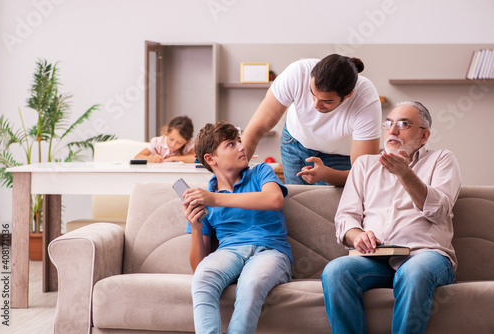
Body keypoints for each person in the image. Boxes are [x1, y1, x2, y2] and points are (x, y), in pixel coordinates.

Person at [321, 101, 461, 334]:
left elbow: (439, 211)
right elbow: (346, 216)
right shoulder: (365, 164)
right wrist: (357, 236)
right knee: (336, 270)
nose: (393, 130)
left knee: (414, 271)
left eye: (404, 124)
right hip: (375, 260)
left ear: (424, 135)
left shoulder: (442, 160)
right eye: (389, 124)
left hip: (425, 256)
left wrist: (405, 175)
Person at [181, 121, 292, 334]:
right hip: (229, 252)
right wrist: (196, 227)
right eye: (231, 144)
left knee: (252, 283)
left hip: (270, 251)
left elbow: (275, 199)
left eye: (239, 141)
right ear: (210, 159)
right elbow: (198, 268)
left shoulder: (260, 172)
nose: (242, 147)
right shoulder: (205, 199)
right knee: (203, 279)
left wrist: (216, 199)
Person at [241, 54, 381, 186]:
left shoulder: (366, 101)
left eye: (327, 101)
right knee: (296, 202)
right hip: (295, 144)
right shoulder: (297, 74)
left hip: (339, 157)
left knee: (331, 209)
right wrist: (234, 173)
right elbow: (255, 129)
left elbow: (363, 175)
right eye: (312, 94)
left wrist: (327, 175)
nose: (315, 105)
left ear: (349, 94)